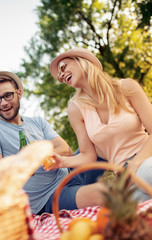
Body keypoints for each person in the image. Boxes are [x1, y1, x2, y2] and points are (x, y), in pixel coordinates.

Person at [0, 71, 107, 215]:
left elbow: (64, 148)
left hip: (70, 173)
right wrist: (39, 156)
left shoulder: (37, 121)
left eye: (8, 95)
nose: (3, 103)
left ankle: (130, 166)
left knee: (101, 139)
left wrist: (34, 156)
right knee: (102, 193)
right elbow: (0, 176)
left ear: (18, 93)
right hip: (48, 197)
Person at [49, 47, 152, 201]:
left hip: (146, 158)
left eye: (63, 67)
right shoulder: (75, 109)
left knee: (146, 173)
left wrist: (135, 164)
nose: (62, 75)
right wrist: (63, 161)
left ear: (81, 60)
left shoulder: (126, 87)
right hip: (123, 176)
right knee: (119, 212)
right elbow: (88, 156)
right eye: (59, 76)